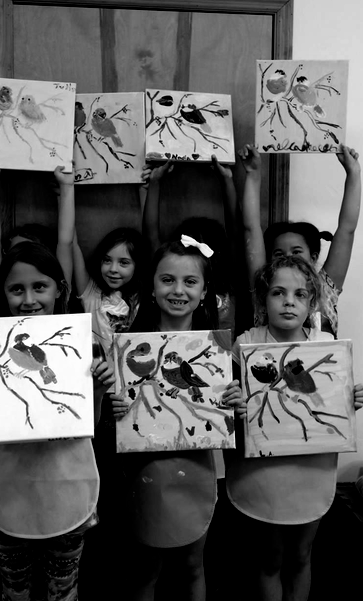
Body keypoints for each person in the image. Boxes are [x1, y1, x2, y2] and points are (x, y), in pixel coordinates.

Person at [0, 239, 114, 601]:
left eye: (40, 286)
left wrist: (98, 391)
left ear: (59, 289)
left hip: (67, 487)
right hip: (7, 489)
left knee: (63, 591)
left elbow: (89, 427)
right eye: (16, 289)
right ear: (3, 294)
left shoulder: (85, 345)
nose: (29, 299)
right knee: (14, 590)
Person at [227, 255, 363, 601]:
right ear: (263, 300)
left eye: (299, 294)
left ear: (311, 302)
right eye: (278, 292)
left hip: (311, 469)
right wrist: (233, 400)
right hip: (263, 472)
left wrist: (350, 399)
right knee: (270, 557)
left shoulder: (324, 342)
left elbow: (330, 400)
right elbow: (225, 402)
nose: (289, 302)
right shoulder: (246, 342)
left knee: (302, 554)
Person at [111, 238, 242, 601]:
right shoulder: (128, 347)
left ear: (204, 292)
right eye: (167, 280)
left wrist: (236, 403)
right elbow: (116, 418)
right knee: (144, 569)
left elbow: (230, 416)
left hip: (199, 470)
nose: (178, 290)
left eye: (190, 281)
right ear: (152, 287)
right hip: (145, 471)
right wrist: (115, 409)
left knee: (193, 566)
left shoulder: (217, 351)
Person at [241, 145, 360, 336]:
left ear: (313, 257)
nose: (288, 257)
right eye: (279, 254)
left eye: (296, 252)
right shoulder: (264, 286)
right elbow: (251, 228)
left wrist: (353, 173)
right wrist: (253, 174)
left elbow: (347, 230)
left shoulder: (325, 288)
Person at [56, 168, 147, 357]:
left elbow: (150, 234)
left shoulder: (142, 296)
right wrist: (62, 195)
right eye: (107, 260)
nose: (113, 269)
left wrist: (146, 189)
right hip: (97, 372)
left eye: (124, 263)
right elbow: (71, 242)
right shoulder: (91, 293)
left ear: (137, 265)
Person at [142, 157, 238, 331]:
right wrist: (155, 182)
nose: (179, 290)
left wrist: (227, 180)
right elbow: (150, 237)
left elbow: (236, 232)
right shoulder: (168, 272)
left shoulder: (229, 282)